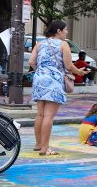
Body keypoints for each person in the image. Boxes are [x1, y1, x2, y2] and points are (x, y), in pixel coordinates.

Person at [29, 20, 88, 156]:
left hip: (39, 79)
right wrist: (78, 72)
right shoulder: (63, 44)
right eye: (65, 30)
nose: (67, 32)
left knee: (40, 114)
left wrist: (42, 71)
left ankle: (38, 144)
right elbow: (68, 66)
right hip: (54, 80)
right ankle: (45, 148)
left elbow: (32, 62)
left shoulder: (39, 44)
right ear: (59, 31)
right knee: (49, 116)